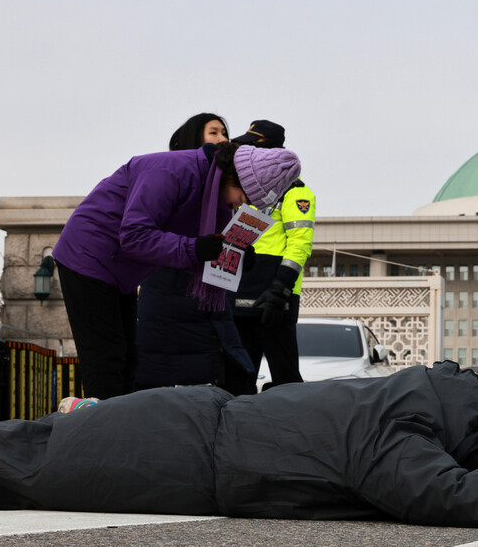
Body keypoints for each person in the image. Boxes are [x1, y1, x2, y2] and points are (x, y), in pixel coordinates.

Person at [0, 362, 478, 532]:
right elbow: (447, 493)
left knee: (1, 446)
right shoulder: (399, 436)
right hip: (183, 453)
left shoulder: (419, 393)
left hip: (186, 425)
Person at [52, 142, 301, 400]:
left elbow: (208, 243)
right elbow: (135, 235)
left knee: (126, 362)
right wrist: (196, 248)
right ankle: (103, 434)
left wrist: (237, 256)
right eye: (244, 197)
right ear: (233, 176)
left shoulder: (212, 190)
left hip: (121, 272)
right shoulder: (170, 171)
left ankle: (119, 431)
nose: (240, 205)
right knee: (106, 360)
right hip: (88, 255)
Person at [134, 115, 257, 393]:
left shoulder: (226, 192)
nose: (222, 139)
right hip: (170, 297)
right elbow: (149, 238)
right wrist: (197, 248)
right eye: (213, 132)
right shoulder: (173, 180)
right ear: (193, 140)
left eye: (225, 133)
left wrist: (241, 253)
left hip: (211, 305)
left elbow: (221, 245)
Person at [227, 120, 316, 393]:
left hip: (277, 298)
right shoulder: (241, 190)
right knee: (236, 380)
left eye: (253, 145)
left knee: (285, 379)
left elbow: (300, 243)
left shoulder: (296, 191)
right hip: (239, 291)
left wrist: (281, 287)